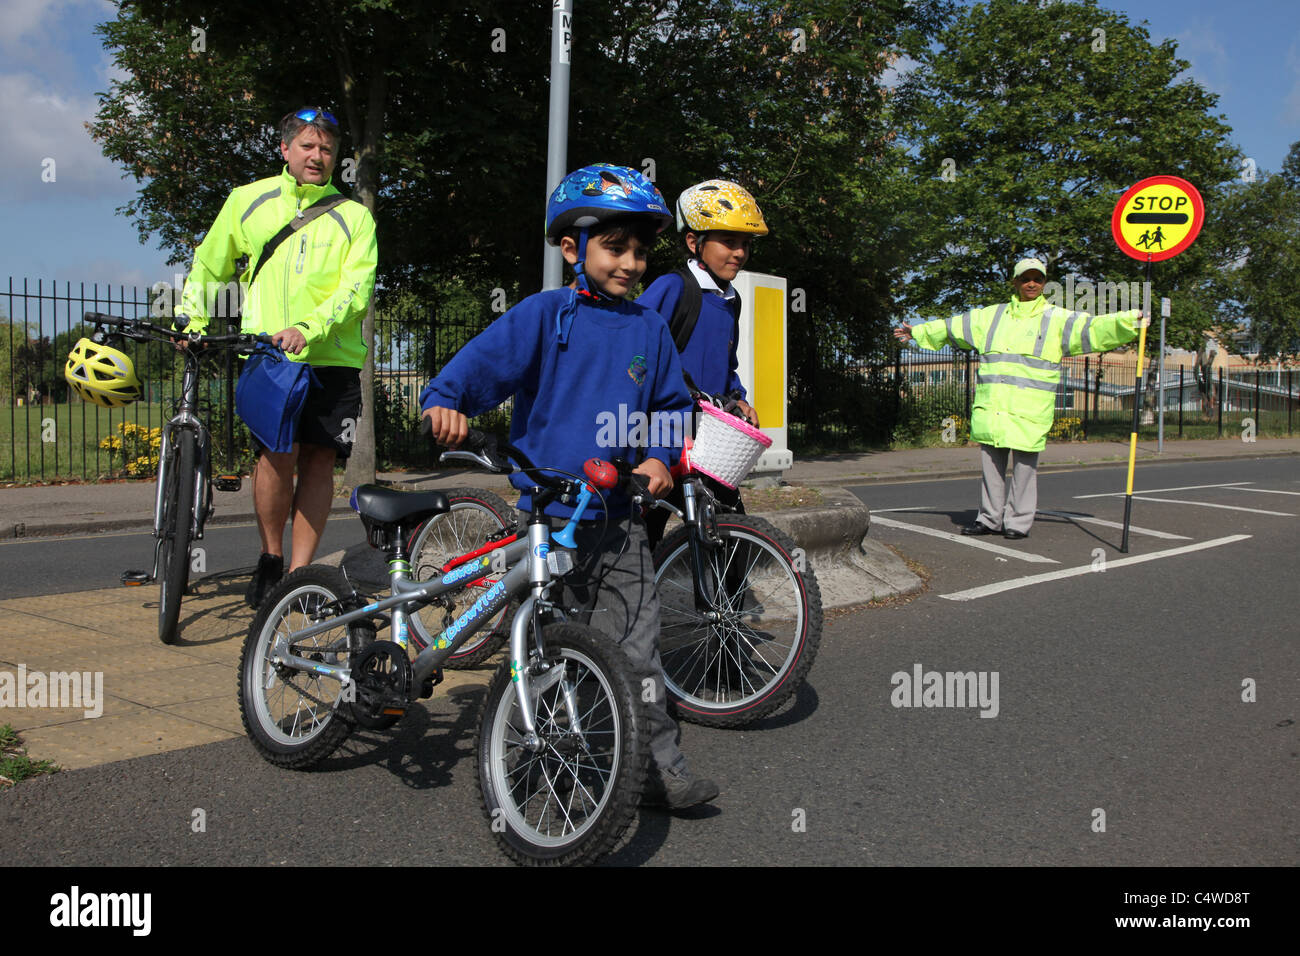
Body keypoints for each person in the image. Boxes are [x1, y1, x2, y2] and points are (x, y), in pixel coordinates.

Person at [420, 163, 718, 809]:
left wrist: (663, 457)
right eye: (615, 247)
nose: (631, 263)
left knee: (637, 651)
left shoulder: (648, 328)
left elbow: (670, 405)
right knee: (544, 644)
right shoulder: (543, 314)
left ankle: (657, 769)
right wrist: (446, 402)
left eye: (640, 251)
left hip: (618, 516)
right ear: (571, 248)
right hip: (549, 515)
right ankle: (530, 758)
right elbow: (479, 369)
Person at [177, 107, 378, 606]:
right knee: (275, 457)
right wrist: (192, 318)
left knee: (319, 459)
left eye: (327, 149)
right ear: (286, 149)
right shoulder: (248, 201)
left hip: (332, 356)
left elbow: (357, 289)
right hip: (270, 354)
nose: (318, 156)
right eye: (308, 146)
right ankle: (270, 556)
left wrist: (308, 328)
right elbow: (210, 263)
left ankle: (299, 574)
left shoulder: (355, 217)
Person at [894, 257, 1147, 539]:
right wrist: (917, 331)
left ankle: (1017, 522)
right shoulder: (991, 316)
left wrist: (1128, 321)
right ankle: (989, 519)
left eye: (1037, 279)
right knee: (991, 469)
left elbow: (1094, 327)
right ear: (1015, 282)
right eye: (1026, 278)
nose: (1031, 283)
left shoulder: (1056, 318)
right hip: (993, 409)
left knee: (1025, 471)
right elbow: (952, 326)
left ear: (1044, 283)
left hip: (1029, 412)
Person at [635, 179, 767, 549]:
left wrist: (738, 397)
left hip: (708, 442)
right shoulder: (673, 287)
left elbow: (726, 363)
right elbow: (633, 346)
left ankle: (726, 608)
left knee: (730, 535)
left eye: (745, 244)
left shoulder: (731, 299)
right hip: (659, 438)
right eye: (728, 241)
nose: (739, 253)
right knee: (641, 534)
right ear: (694, 243)